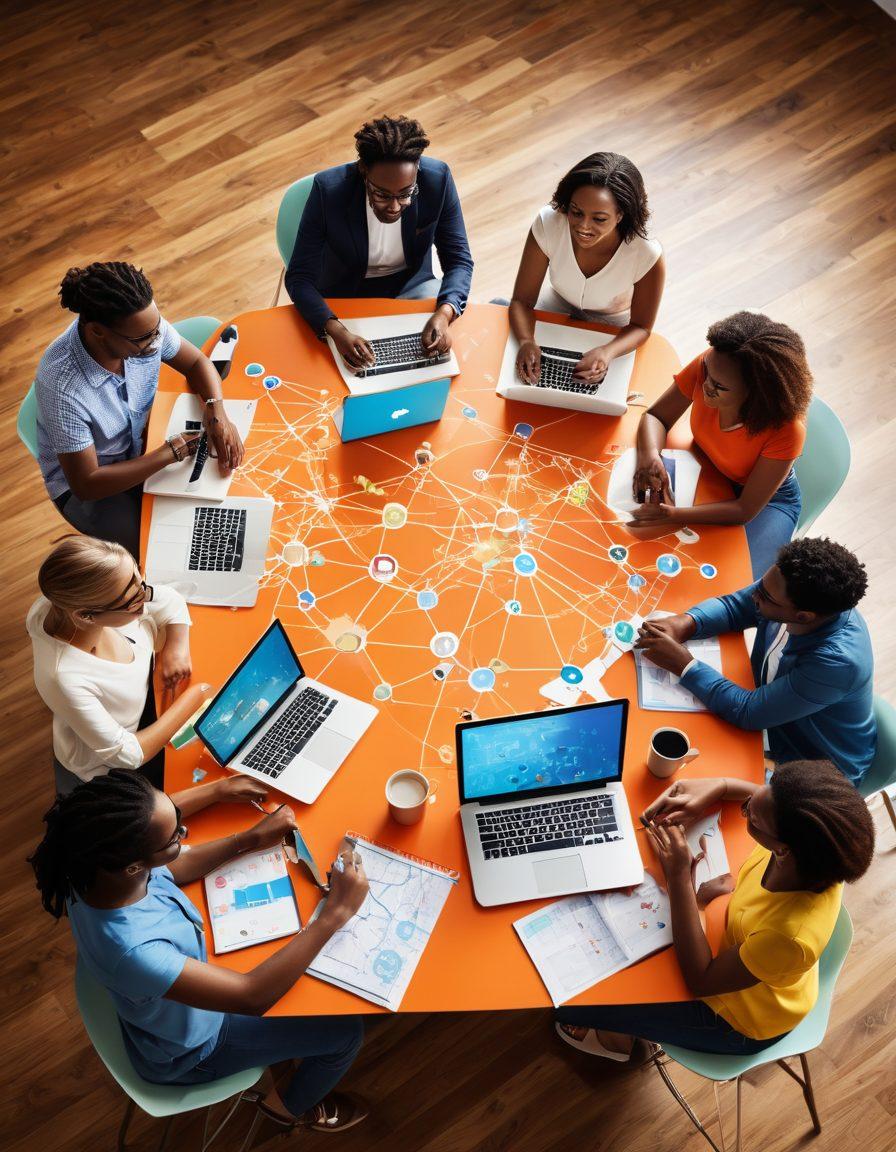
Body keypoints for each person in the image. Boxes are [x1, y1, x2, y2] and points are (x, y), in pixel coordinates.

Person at [28, 771, 370, 1132]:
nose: (185, 835)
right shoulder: (134, 950)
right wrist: (335, 914)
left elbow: (172, 868)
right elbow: (251, 996)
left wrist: (249, 837)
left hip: (167, 1008)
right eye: (175, 838)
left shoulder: (93, 871)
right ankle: (288, 1108)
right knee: (346, 1033)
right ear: (134, 865)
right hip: (197, 1048)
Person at [556, 761, 875, 1061]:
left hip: (736, 1018)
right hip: (750, 959)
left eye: (752, 816)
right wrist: (720, 786)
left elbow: (701, 979)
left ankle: (616, 1043)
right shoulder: (813, 853)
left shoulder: (789, 936)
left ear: (782, 849)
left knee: (570, 1007)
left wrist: (678, 876)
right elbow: (765, 800)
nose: (746, 806)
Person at [35, 261, 245, 559]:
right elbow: (87, 484)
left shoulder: (141, 329)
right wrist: (168, 454)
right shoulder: (62, 388)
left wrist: (216, 413)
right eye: (144, 339)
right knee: (160, 553)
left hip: (144, 444)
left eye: (157, 329)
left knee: (218, 509)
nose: (157, 342)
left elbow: (197, 362)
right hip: (95, 485)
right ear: (98, 332)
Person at [635, 538, 876, 785]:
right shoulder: (796, 594)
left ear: (802, 616)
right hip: (769, 722)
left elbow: (749, 712)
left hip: (808, 770)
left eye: (764, 594)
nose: (755, 594)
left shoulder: (837, 663)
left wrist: (683, 664)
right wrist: (687, 622)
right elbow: (736, 607)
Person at [629, 311, 813, 578]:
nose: (704, 386)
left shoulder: (787, 430)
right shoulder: (710, 366)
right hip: (711, 468)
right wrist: (649, 457)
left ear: (757, 395)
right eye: (707, 373)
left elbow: (744, 509)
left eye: (718, 387)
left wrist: (674, 515)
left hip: (764, 502)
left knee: (737, 583)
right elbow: (656, 416)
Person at [285, 114, 474, 372]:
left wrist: (444, 313)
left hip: (412, 287)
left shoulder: (437, 180)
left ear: (418, 169)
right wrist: (335, 330)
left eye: (406, 194)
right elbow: (299, 277)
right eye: (382, 195)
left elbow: (459, 260)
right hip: (343, 296)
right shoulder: (329, 191)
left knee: (432, 367)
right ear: (363, 171)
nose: (395, 207)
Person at [28, 535, 215, 795]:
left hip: (146, 698)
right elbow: (127, 755)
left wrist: (177, 645)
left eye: (140, 579)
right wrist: (195, 698)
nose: (146, 597)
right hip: (113, 763)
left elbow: (168, 598)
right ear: (85, 616)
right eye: (133, 600)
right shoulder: (66, 678)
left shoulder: (60, 605)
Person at [509, 151, 665, 389]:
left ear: (621, 215)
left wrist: (608, 352)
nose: (583, 227)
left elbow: (642, 327)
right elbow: (521, 300)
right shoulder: (549, 224)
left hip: (614, 328)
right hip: (556, 308)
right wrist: (526, 341)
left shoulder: (645, 254)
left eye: (599, 219)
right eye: (576, 212)